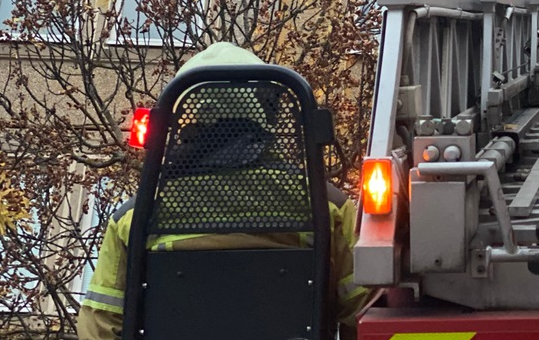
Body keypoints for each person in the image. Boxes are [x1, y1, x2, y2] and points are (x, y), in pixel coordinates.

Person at [76, 43, 371, 340]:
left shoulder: (135, 218)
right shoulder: (326, 206)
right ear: (265, 113)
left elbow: (99, 326)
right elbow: (365, 313)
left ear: (182, 121)